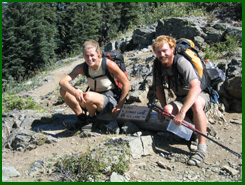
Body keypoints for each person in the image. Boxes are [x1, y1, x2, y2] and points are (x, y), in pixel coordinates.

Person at [152, 35, 211, 166]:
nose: (162, 54)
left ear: (172, 49)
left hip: (200, 94)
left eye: (165, 50)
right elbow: (159, 88)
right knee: (168, 111)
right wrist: (163, 108)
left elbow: (196, 87)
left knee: (195, 104)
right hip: (181, 98)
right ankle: (195, 133)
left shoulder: (181, 62)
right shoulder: (157, 64)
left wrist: (182, 112)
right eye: (158, 52)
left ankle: (202, 147)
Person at [59, 40, 130, 130]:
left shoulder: (109, 65)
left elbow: (126, 84)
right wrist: (75, 92)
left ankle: (92, 119)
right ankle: (81, 117)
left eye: (92, 55)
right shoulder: (83, 67)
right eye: (86, 55)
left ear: (98, 53)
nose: (89, 59)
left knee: (88, 96)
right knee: (63, 90)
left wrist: (119, 106)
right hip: (92, 97)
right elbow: (62, 82)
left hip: (109, 98)